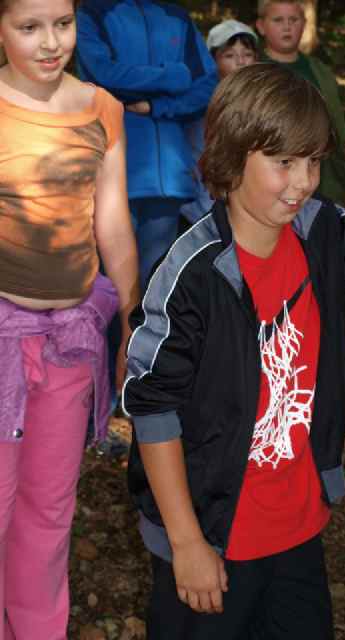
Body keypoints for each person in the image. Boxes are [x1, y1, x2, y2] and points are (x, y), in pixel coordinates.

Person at [123, 63, 345, 640]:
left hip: (296, 524)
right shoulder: (191, 272)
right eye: (284, 162)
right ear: (232, 155)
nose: (303, 182)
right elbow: (153, 407)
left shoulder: (323, 231)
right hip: (212, 528)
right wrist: (185, 542)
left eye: (313, 162)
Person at [0, 0, 139, 638]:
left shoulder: (101, 107)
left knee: (49, 506)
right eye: (29, 27)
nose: (50, 42)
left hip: (72, 338)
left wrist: (132, 320)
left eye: (63, 23)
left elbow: (112, 221)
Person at [75, 0, 218, 290]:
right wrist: (174, 76)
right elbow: (103, 75)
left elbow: (207, 85)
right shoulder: (92, 12)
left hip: (168, 177)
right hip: (112, 169)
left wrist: (157, 106)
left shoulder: (178, 16)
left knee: (156, 285)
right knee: (110, 288)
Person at [256, 0, 345, 204]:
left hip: (319, 183)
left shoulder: (320, 71)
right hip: (268, 184)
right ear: (261, 26)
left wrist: (343, 144)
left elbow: (335, 120)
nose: (287, 27)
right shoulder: (253, 70)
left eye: (293, 20)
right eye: (278, 20)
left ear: (304, 23)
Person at [181, 19, 260, 224]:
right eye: (229, 56)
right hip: (202, 207)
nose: (240, 62)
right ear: (212, 60)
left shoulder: (263, 100)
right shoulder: (199, 102)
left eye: (247, 54)